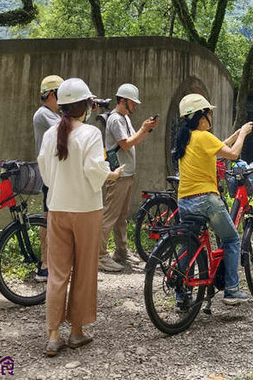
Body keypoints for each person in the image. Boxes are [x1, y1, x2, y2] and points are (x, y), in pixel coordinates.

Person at [37, 77, 123, 357]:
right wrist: (110, 174)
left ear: (62, 106)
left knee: (57, 272)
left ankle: (53, 335)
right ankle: (76, 331)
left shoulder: (51, 133)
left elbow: (46, 173)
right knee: (84, 271)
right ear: (87, 104)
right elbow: (94, 171)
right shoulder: (90, 134)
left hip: (57, 208)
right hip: (86, 209)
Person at [172, 93, 253, 305]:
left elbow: (218, 149)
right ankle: (232, 290)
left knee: (190, 245)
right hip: (206, 200)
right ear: (201, 117)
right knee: (232, 239)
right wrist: (243, 133)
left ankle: (181, 293)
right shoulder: (203, 136)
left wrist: (234, 135)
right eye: (209, 113)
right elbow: (233, 155)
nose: (211, 116)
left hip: (184, 201)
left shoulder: (186, 138)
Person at [98, 83, 159, 272]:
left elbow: (135, 141)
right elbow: (125, 144)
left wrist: (146, 130)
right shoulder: (116, 120)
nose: (136, 106)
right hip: (118, 175)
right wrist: (143, 129)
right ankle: (99, 256)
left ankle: (121, 251)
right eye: (133, 103)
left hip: (127, 174)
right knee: (110, 215)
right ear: (123, 101)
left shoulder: (124, 118)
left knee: (121, 216)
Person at [32, 74, 65, 282]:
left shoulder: (51, 113)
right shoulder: (44, 114)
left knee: (53, 218)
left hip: (54, 174)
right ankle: (44, 265)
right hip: (49, 176)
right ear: (52, 94)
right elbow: (67, 129)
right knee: (47, 219)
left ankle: (49, 262)